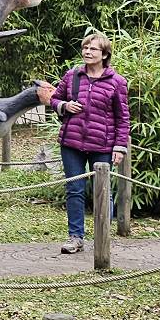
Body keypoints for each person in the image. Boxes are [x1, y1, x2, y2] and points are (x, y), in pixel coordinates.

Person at [34, 31, 130, 254]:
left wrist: (119, 147)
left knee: (102, 190)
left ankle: (102, 236)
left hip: (103, 144)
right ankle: (75, 237)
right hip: (72, 142)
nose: (87, 51)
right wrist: (64, 106)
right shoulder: (72, 76)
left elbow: (123, 117)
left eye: (93, 49)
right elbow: (54, 99)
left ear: (104, 54)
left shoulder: (117, 82)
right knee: (74, 189)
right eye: (85, 47)